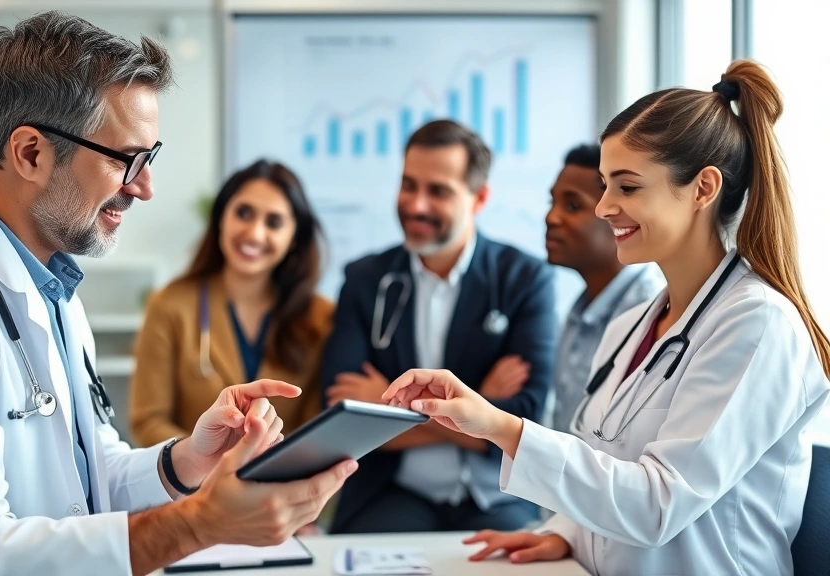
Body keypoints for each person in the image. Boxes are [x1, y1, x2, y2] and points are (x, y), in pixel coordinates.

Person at [0, 13, 355, 576]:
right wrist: (198, 525)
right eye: (126, 159)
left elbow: (89, 478)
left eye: (150, 158)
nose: (145, 187)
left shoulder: (52, 287)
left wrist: (188, 460)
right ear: (31, 153)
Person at [382, 60, 830, 575]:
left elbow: (658, 504)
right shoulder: (630, 326)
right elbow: (606, 464)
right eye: (604, 185)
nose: (603, 207)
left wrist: (498, 425)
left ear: (703, 189)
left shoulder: (758, 326)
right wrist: (564, 532)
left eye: (627, 187)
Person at [321, 120, 557, 534]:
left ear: (479, 198)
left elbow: (527, 420)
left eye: (438, 191)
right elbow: (344, 417)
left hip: (498, 496)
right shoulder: (365, 280)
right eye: (408, 185)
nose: (416, 205)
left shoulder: (524, 280)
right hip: (394, 493)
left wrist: (390, 409)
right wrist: (483, 409)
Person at [129, 159, 333, 447]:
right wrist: (204, 460)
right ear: (221, 217)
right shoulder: (169, 306)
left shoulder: (320, 318)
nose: (254, 233)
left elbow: (317, 427)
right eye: (243, 213)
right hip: (194, 475)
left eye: (274, 222)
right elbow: (148, 421)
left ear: (294, 239)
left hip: (283, 475)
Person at [544, 144, 664, 432]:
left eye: (572, 206)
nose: (551, 217)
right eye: (552, 202)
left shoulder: (650, 309)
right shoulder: (580, 308)